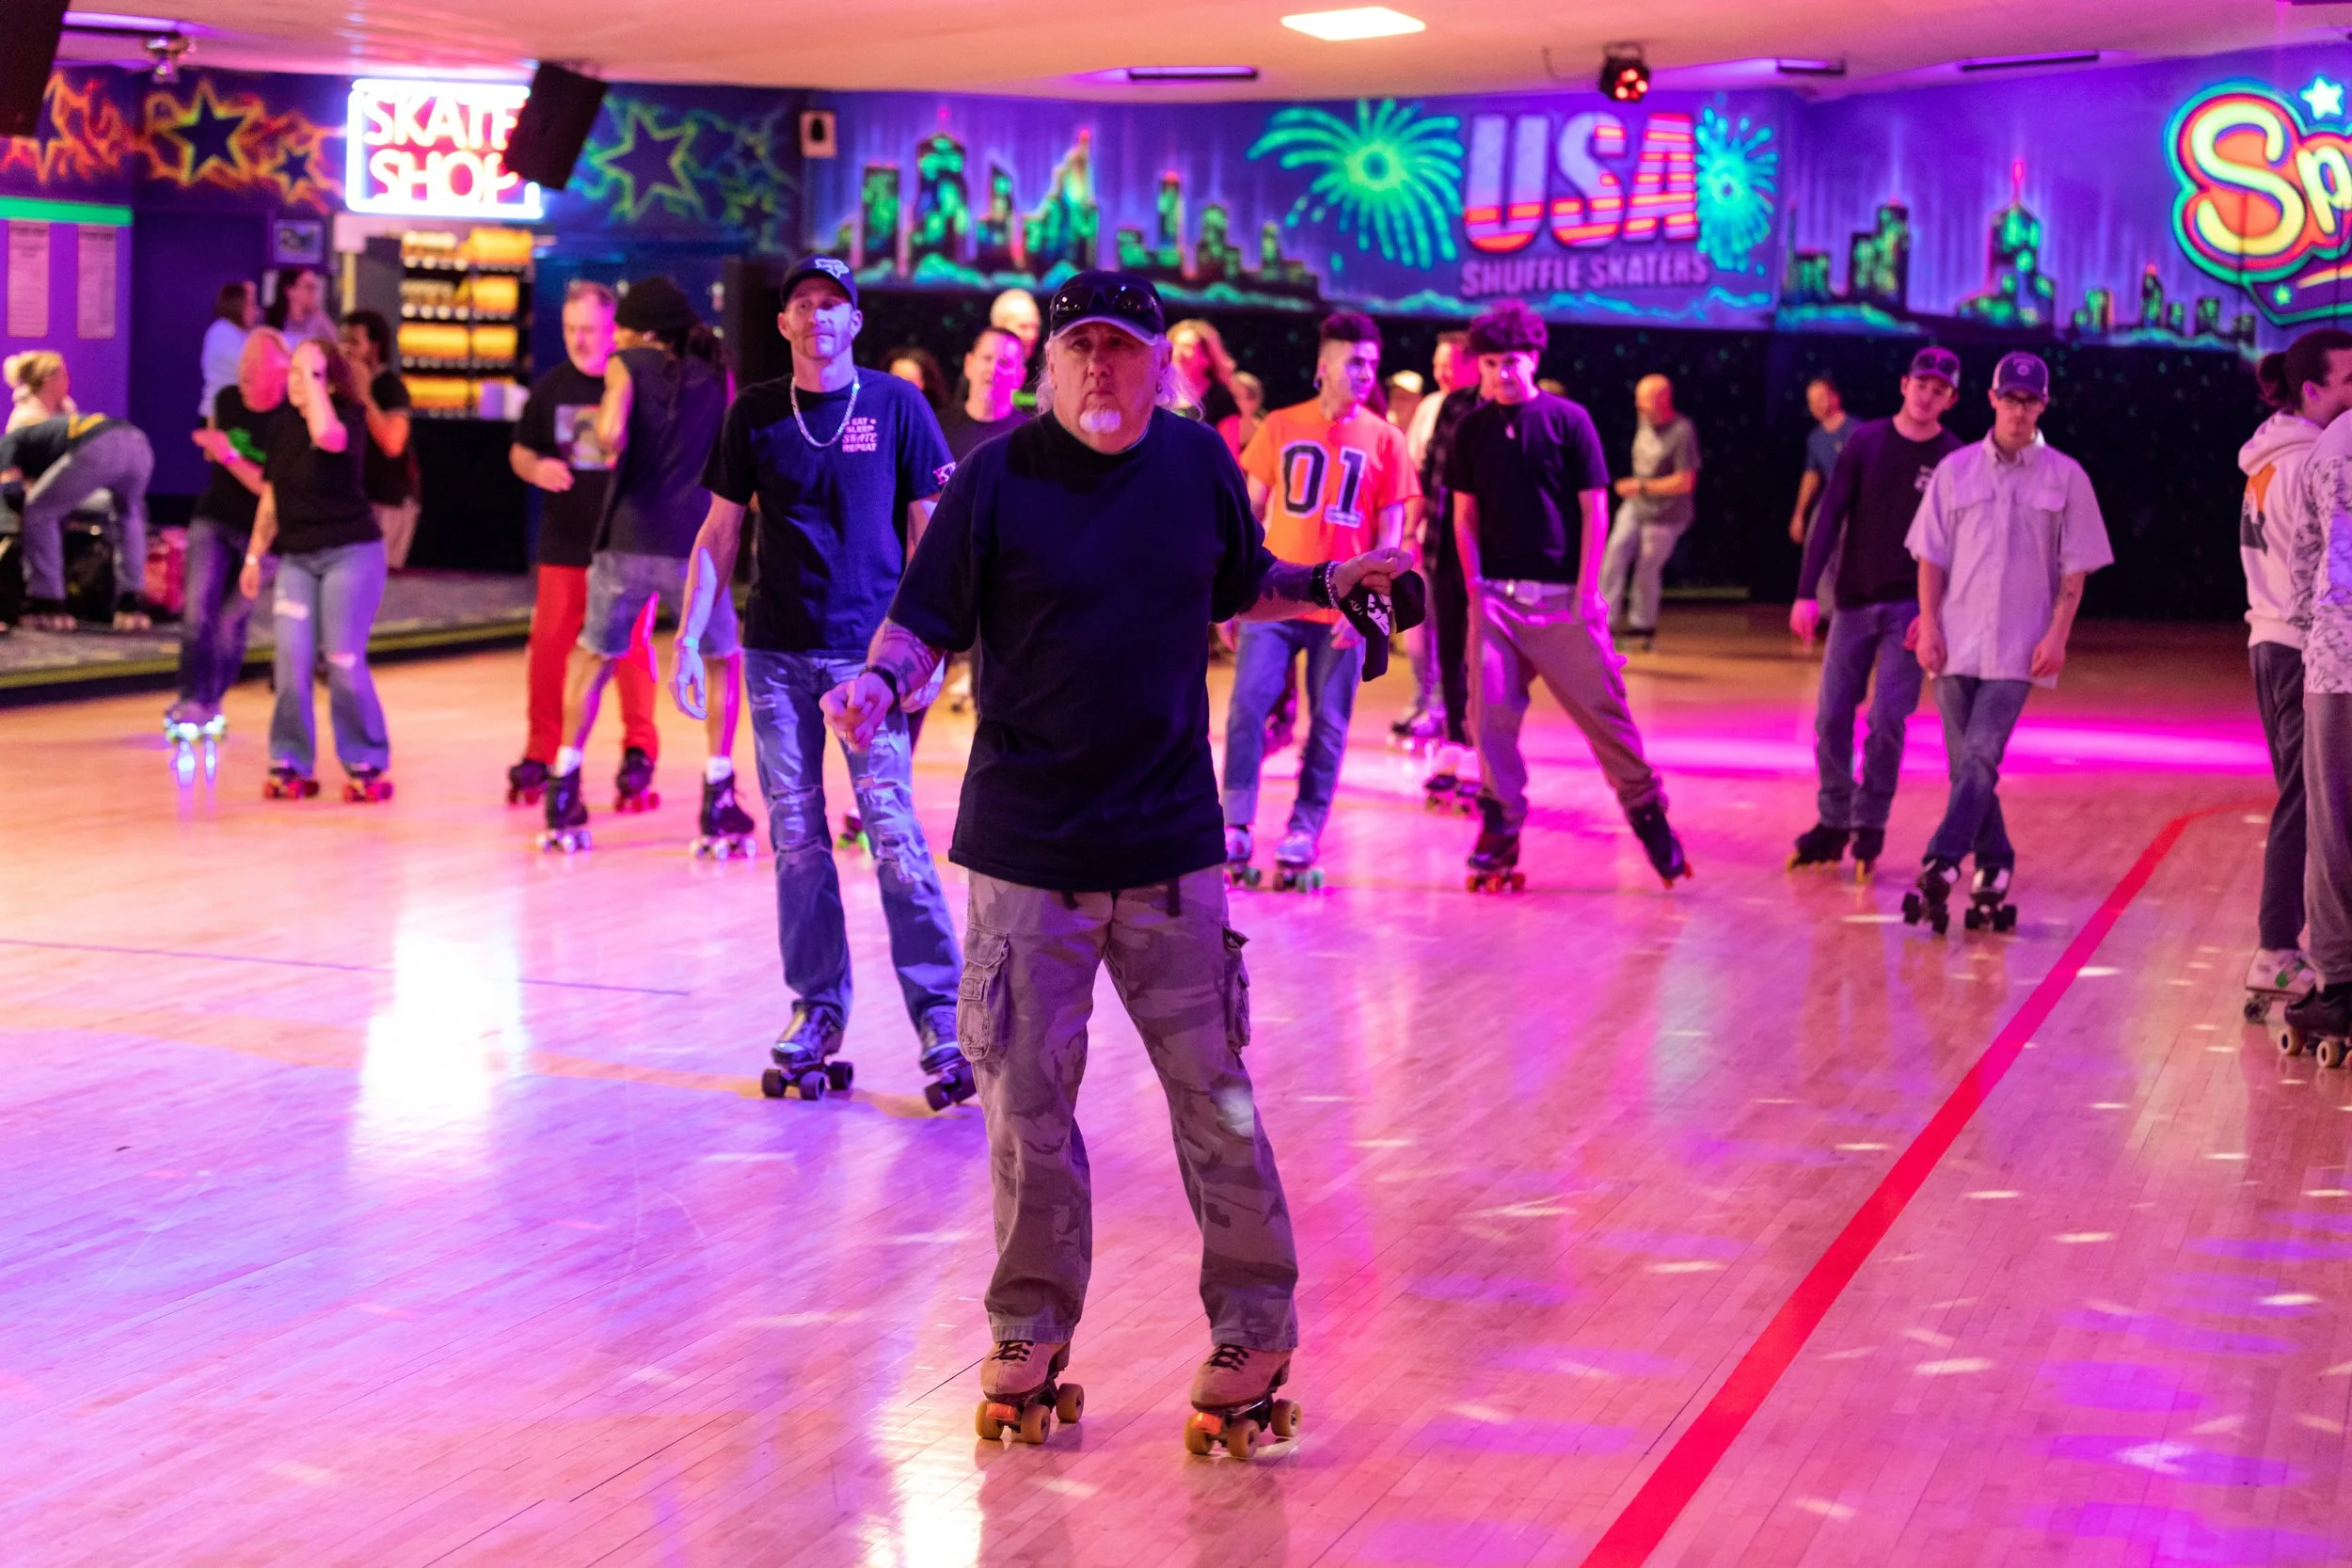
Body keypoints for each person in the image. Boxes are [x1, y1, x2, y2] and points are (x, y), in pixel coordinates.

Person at [815, 268, 1413, 1447]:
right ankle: (1029, 1323)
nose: (1100, 367)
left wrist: (1332, 584)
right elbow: (922, 618)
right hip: (1027, 850)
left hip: (1167, 847)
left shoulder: (1194, 466)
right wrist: (880, 682)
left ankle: (1256, 1325)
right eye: (1080, 347)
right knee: (1027, 1108)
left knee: (1217, 1101)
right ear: (1050, 363)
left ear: (1160, 365)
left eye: (1122, 348)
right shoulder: (992, 475)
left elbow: (1247, 582)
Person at [669, 254, 966, 1104]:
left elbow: (930, 531)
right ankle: (818, 1013)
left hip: (869, 657)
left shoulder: (899, 406)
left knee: (893, 830)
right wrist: (691, 638)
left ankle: (940, 1015)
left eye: (834, 304)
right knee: (797, 839)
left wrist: (924, 644)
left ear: (855, 322)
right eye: (805, 304)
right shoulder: (756, 413)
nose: (820, 316)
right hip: (776, 655)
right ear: (785, 323)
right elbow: (721, 533)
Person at [1446, 302, 1689, 890]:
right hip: (1496, 601)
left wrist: (1587, 591)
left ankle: (1647, 812)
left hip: (1560, 599)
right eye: (1493, 363)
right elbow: (1464, 516)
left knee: (1605, 713)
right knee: (1488, 717)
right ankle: (1501, 822)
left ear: (1532, 360)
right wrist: (1476, 590)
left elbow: (1594, 507)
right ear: (1480, 367)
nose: (1503, 373)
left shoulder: (1568, 420)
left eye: (1513, 361)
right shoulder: (1472, 430)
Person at [1902, 352, 2112, 930]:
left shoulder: (2066, 477)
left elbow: (2076, 570)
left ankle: (1944, 860)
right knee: (1965, 766)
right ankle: (1995, 861)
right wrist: (1930, 623)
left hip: (2019, 647)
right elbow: (1930, 556)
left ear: (2043, 405)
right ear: (1992, 399)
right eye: (2010, 399)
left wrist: (2058, 636)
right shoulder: (1956, 471)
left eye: (2030, 401)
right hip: (1955, 642)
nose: (2020, 411)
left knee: (1980, 756)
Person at [541, 275, 740, 847]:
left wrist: (608, 438)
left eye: (623, 328)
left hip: (626, 539)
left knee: (594, 657)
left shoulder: (625, 365)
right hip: (694, 545)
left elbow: (609, 435)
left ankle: (563, 782)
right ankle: (717, 792)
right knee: (722, 659)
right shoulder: (718, 374)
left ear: (645, 333)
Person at [1223, 311, 1416, 884]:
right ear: (1323, 367)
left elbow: (1391, 537)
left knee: (1329, 722)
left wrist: (1370, 616)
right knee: (1247, 709)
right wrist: (1236, 595)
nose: (1364, 374)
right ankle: (1235, 822)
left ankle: (1304, 827)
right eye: (1354, 362)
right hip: (1276, 599)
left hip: (1342, 611)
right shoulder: (1281, 425)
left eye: (1371, 365)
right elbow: (1249, 515)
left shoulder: (1387, 438)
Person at [1784, 347, 1964, 879]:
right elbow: (1830, 512)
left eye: (1940, 390)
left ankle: (1870, 823)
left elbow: (1960, 544)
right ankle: (1833, 818)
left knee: (1888, 718)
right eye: (1921, 385)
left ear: (1951, 399)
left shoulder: (1955, 459)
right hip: (1854, 601)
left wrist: (1938, 612)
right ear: (1904, 385)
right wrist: (1804, 592)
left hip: (1911, 608)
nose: (1927, 395)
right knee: (1830, 717)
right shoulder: (1865, 441)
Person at [504, 280, 660, 806]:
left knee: (632, 650)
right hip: (565, 543)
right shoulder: (550, 388)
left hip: (627, 542)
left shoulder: (637, 382)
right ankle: (540, 750)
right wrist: (536, 466)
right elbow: (520, 452)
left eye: (589, 329)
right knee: (549, 649)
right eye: (571, 329)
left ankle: (639, 751)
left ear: (612, 328)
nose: (579, 339)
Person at [2238, 332, 2352, 1007]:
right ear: (2311, 391)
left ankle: (2288, 943)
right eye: (2347, 383)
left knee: (2310, 800)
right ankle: (2276, 949)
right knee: (2309, 801)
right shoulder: (2318, 460)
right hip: (2299, 647)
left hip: (2270, 640)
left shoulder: (2271, 456)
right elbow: (2322, 575)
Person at [239, 339, 392, 800]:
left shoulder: (347, 418)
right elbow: (271, 497)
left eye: (310, 375)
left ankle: (366, 760)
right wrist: (252, 556)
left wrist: (314, 376)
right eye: (292, 374)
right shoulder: (281, 427)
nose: (298, 383)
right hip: (299, 560)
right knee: (290, 660)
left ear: (331, 381)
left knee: (343, 659)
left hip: (352, 554)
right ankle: (289, 760)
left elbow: (327, 437)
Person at [169, 327, 290, 736]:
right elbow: (213, 448)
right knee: (195, 612)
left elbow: (269, 488)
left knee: (229, 621)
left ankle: (211, 700)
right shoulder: (226, 401)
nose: (246, 373)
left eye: (257, 366)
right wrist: (216, 447)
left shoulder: (290, 418)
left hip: (267, 534)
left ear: (282, 372)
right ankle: (190, 700)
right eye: (243, 364)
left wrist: (229, 454)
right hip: (215, 518)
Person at [2290, 345, 2352, 1053]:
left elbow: (2309, 559)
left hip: (2338, 662)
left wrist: (2312, 635)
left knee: (2335, 823)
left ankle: (2337, 985)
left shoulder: (2332, 446)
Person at [0, 363, 154, 633]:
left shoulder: (9, 440)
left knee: (38, 512)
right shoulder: (47, 426)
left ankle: (48, 604)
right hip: (137, 442)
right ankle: (130, 603)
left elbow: (12, 490)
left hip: (98, 445)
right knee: (127, 515)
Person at [1401, 330, 1477, 757]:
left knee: (1467, 639)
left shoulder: (1481, 410)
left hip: (1474, 547)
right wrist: (1411, 530)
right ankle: (1437, 712)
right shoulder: (1435, 406)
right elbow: (1420, 474)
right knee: (1429, 633)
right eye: (1437, 363)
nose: (1442, 371)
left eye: (1451, 363)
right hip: (1434, 541)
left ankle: (1464, 721)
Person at [1598, 373, 1701, 651]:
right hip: (1637, 505)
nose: (1638, 407)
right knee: (1614, 554)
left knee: (1646, 567)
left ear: (1663, 399)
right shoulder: (1644, 420)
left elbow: (1685, 481)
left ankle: (1642, 627)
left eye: (1644, 401)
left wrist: (1641, 486)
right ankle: (1603, 623)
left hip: (1667, 513)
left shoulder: (1681, 431)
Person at [338, 311, 419, 569]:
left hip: (387, 501)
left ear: (374, 348)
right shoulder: (342, 387)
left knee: (377, 583)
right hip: (356, 499)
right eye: (342, 341)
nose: (345, 350)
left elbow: (392, 443)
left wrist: (364, 396)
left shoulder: (389, 387)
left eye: (353, 342)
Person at [1788, 374, 1852, 621]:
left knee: (1849, 556)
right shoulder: (1815, 438)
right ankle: (1829, 613)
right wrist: (1798, 514)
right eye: (1810, 401)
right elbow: (1811, 475)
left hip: (1857, 503)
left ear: (1835, 397)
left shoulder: (1856, 430)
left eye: (1820, 398)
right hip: (1829, 502)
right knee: (1817, 547)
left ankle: (1852, 611)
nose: (1815, 405)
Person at [942, 326, 1028, 462]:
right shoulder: (938, 428)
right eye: (987, 358)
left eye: (1005, 363)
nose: (993, 369)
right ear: (968, 363)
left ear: (1020, 376)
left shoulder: (1029, 438)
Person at [199, 281, 258, 421]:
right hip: (217, 415)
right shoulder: (222, 332)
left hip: (232, 413)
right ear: (237, 305)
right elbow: (249, 368)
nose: (255, 311)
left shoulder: (239, 334)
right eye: (250, 304)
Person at [1170, 319, 1243, 430]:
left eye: (1187, 346)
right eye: (1175, 345)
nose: (1178, 353)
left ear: (1207, 357)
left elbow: (1229, 444)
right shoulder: (1157, 391)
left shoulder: (1222, 399)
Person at [265, 266, 338, 352]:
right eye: (309, 287)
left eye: (315, 288)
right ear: (289, 290)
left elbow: (336, 348)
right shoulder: (268, 319)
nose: (313, 293)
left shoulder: (319, 320)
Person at [887, 346, 948, 415]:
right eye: (895, 380)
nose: (900, 388)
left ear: (924, 384)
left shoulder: (939, 421)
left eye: (909, 382)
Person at [1224, 371, 1265, 457]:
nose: (1231, 402)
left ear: (1255, 401)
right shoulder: (1220, 430)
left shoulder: (1265, 433)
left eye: (1237, 397)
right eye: (1229, 396)